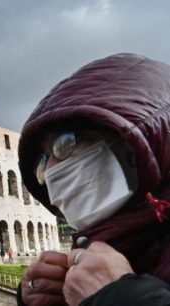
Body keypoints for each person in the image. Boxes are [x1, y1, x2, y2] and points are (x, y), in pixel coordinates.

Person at [16, 53, 170, 306]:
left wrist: (119, 298)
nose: (51, 170)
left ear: (142, 137)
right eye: (42, 163)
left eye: (66, 142)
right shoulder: (118, 245)